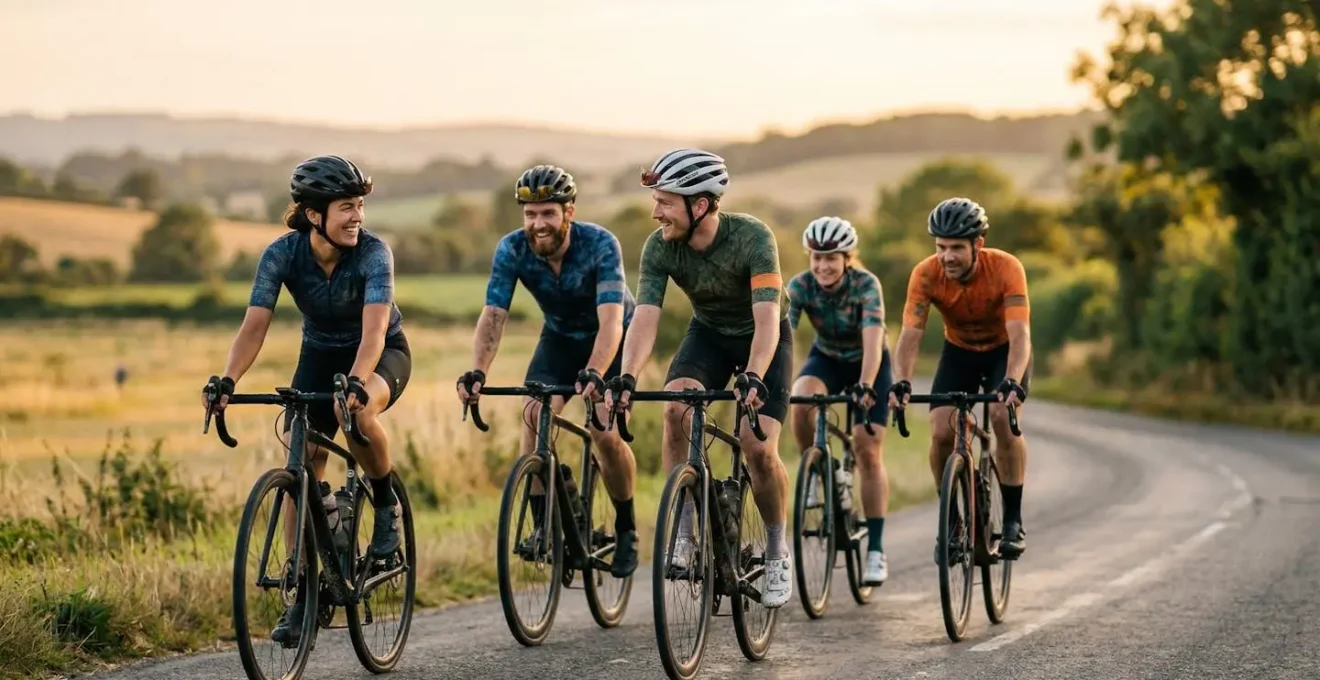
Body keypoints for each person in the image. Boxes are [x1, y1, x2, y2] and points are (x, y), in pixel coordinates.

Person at [201, 154, 412, 645]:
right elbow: (255, 324)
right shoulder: (281, 254)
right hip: (318, 353)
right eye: (346, 207)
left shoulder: (375, 253)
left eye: (359, 205)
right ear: (314, 214)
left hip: (381, 355)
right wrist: (228, 380)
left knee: (353, 410)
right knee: (301, 460)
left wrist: (357, 382)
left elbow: (376, 328)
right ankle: (304, 591)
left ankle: (385, 506)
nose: (357, 215)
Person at [603, 148, 796, 609]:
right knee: (675, 410)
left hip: (764, 337)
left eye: (665, 202)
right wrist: (627, 376)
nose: (655, 212)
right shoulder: (660, 246)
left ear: (701, 205)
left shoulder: (752, 237)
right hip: (708, 333)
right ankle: (686, 530)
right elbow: (645, 316)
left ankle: (775, 550)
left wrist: (752, 374)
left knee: (756, 446)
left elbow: (767, 318)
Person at [455, 164, 641, 578]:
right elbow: (494, 314)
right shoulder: (512, 249)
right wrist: (477, 370)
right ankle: (546, 528)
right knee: (533, 415)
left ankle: (626, 527)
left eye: (548, 214)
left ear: (568, 212)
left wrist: (595, 373)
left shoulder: (600, 245)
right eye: (530, 214)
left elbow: (612, 321)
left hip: (609, 339)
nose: (538, 224)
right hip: (559, 338)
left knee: (604, 431)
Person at [886, 197, 1031, 564]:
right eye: (940, 247)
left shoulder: (1006, 268)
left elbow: (1020, 335)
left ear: (977, 245)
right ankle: (952, 521)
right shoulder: (926, 273)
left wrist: (1012, 382)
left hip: (1003, 352)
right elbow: (910, 335)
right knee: (940, 431)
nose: (946, 256)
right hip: (960, 351)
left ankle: (1012, 520)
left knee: (1001, 418)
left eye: (955, 248)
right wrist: (901, 382)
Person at [786, 216, 893, 586]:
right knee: (800, 399)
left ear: (848, 258)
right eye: (816, 257)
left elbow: (873, 339)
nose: (822, 266)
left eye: (831, 257)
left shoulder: (866, 286)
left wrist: (865, 384)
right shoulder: (800, 286)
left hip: (869, 361)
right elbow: (784, 338)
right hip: (827, 357)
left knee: (867, 448)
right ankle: (816, 468)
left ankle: (876, 551)